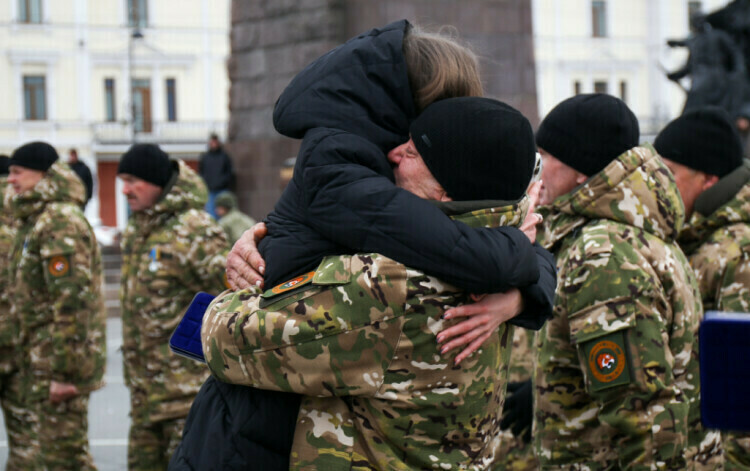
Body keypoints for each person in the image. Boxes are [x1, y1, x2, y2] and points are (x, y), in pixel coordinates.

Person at [173, 20, 555, 470]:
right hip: (254, 419)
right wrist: (516, 259)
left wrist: (519, 294)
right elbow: (460, 250)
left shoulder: (369, 154)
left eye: (418, 150)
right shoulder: (339, 163)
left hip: (288, 403)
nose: (401, 154)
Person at [529, 94, 720, 468]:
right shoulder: (626, 232)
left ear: (582, 170)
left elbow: (640, 416)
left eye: (547, 156)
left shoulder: (604, 256)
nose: (538, 170)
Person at [118, 143, 231, 470]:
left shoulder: (194, 228)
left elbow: (229, 298)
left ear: (155, 180)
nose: (124, 189)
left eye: (132, 180)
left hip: (185, 398)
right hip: (143, 396)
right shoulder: (139, 229)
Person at [655, 106, 749, 470]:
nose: (659, 184)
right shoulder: (698, 233)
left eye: (670, 173)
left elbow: (742, 388)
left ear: (709, 181)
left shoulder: (739, 253)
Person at [7, 142, 106, 470]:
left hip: (57, 367)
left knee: (64, 460)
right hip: (41, 361)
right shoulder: (36, 218)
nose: (11, 180)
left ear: (43, 174)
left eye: (18, 172)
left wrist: (63, 373)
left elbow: (71, 302)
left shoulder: (58, 221)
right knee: (55, 457)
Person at [198, 133, 234, 219]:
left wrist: (223, 182)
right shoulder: (205, 157)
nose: (213, 144)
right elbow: (201, 173)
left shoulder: (224, 156)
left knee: (224, 214)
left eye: (215, 142)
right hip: (210, 190)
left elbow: (229, 173)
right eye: (212, 142)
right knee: (211, 214)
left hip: (222, 190)